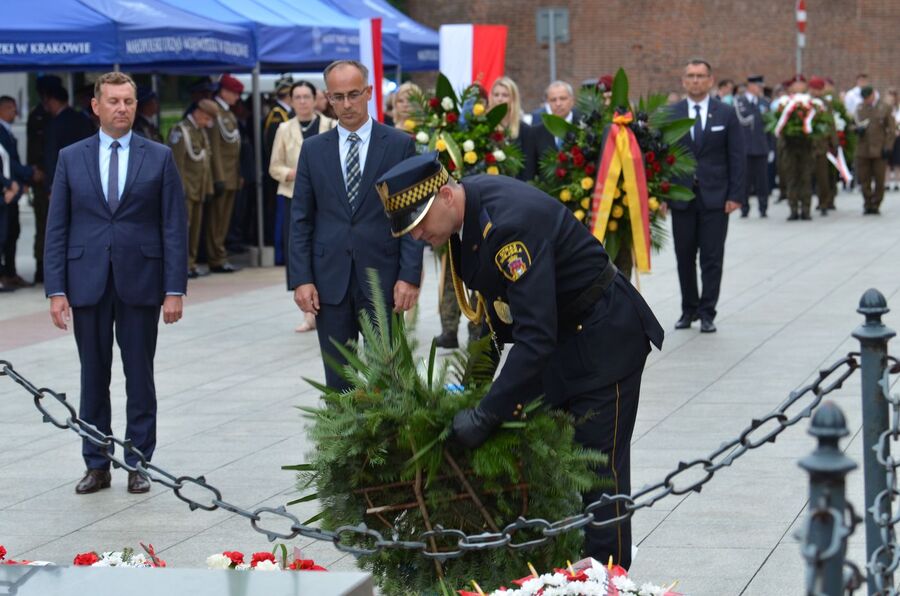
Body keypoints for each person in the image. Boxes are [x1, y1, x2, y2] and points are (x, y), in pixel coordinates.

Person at [375, 151, 663, 569]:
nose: (416, 236)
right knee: (543, 453)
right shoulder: (467, 217)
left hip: (604, 338)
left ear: (446, 196)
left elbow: (534, 338)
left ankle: (609, 574)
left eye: (419, 223)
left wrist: (485, 414)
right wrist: (471, 393)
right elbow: (496, 317)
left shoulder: (509, 226)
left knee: (599, 469)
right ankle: (557, 563)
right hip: (562, 336)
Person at [43, 71, 187, 495]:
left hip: (141, 280)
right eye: (113, 101)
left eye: (128, 101)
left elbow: (173, 226)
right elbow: (57, 227)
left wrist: (174, 289)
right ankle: (97, 463)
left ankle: (139, 463)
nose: (122, 108)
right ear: (96, 106)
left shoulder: (158, 157)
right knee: (93, 376)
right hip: (87, 281)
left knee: (140, 376)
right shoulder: (71, 157)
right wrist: (56, 290)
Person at [289, 60, 423, 391]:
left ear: (369, 92)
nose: (347, 104)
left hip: (383, 279)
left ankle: (388, 428)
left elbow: (411, 216)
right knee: (339, 382)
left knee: (389, 382)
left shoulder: (398, 145)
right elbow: (301, 219)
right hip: (329, 282)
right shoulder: (313, 150)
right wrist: (301, 279)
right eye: (338, 97)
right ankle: (340, 427)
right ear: (327, 98)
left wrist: (409, 276)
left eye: (353, 94)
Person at [661, 59, 746, 333]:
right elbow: (660, 157)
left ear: (710, 80)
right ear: (683, 81)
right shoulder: (671, 114)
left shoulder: (726, 113)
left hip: (716, 198)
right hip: (681, 197)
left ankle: (708, 312)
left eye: (700, 76)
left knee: (712, 257)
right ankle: (689, 309)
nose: (695, 80)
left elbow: (737, 156)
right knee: (684, 256)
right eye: (691, 76)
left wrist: (736, 194)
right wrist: (661, 195)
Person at [269, 80, 336, 332]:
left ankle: (327, 304)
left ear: (315, 99)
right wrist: (293, 173)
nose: (302, 102)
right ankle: (308, 312)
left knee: (325, 249)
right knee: (299, 249)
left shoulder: (330, 125)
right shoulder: (284, 128)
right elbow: (274, 166)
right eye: (297, 97)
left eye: (306, 96)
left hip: (325, 198)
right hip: (293, 196)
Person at [169, 99, 218, 279]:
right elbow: (176, 163)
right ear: (198, 113)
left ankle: (191, 263)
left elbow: (205, 163)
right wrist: (178, 190)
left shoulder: (199, 132)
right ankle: (181, 265)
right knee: (183, 230)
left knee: (195, 231)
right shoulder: (181, 131)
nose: (207, 123)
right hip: (185, 190)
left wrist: (208, 188)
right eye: (206, 118)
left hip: (198, 189)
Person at [0, 96, 39, 288]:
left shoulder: (7, 131)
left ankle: (9, 273)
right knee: (4, 235)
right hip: (5, 191)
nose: (15, 113)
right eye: (11, 108)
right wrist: (16, 180)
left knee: (11, 233)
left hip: (10, 191)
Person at [207, 74, 243, 273]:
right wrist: (219, 177)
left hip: (231, 175)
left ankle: (220, 255)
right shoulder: (215, 112)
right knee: (217, 220)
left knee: (224, 220)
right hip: (222, 176)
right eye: (234, 93)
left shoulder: (226, 113)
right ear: (224, 91)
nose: (237, 97)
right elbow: (215, 147)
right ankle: (216, 258)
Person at [27, 76, 59, 285]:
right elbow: (35, 148)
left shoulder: (51, 115)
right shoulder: (38, 116)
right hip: (42, 178)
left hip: (52, 176)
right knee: (43, 224)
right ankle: (41, 266)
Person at [262, 76, 294, 247]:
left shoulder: (284, 113)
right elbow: (273, 147)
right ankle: (275, 243)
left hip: (286, 171)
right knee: (276, 209)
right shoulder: (277, 115)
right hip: (279, 171)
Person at [855, 86, 896, 215]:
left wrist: (888, 147)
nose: (866, 100)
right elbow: (852, 124)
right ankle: (867, 203)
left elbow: (891, 130)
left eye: (868, 97)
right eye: (864, 98)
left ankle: (876, 203)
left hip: (879, 150)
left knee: (879, 179)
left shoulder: (884, 108)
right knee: (864, 179)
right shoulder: (859, 108)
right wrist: (856, 130)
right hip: (863, 150)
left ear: (873, 95)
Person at [735, 76, 771, 218]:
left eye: (761, 86)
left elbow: (769, 126)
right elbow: (741, 121)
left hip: (761, 147)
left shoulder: (765, 102)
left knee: (763, 181)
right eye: (757, 85)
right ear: (750, 86)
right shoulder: (739, 102)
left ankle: (763, 207)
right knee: (745, 181)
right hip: (745, 148)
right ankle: (744, 208)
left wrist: (771, 147)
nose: (759, 88)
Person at [531, 81, 578, 163]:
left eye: (563, 98)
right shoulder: (537, 132)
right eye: (553, 100)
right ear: (548, 103)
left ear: (572, 100)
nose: (558, 104)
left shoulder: (584, 127)